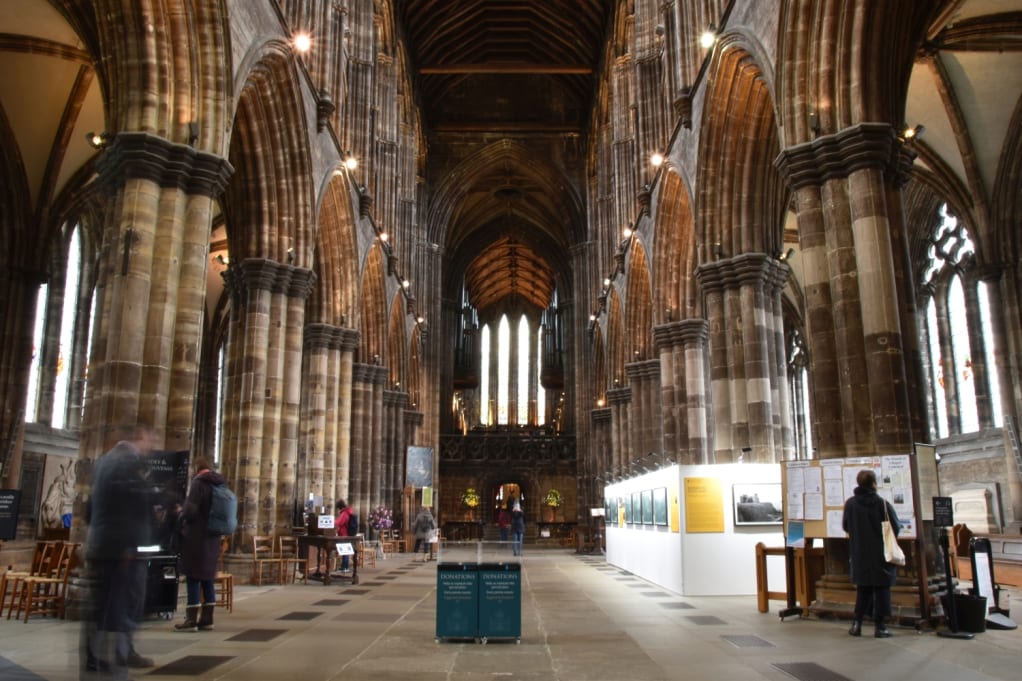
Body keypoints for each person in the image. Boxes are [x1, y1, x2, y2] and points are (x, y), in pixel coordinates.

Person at [82, 424, 158, 677]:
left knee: (102, 607)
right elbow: (136, 504)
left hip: (102, 545)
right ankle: (116, 661)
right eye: (150, 438)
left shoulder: (103, 462)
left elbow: (89, 510)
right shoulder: (128, 464)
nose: (153, 445)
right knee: (123, 607)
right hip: (124, 551)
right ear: (139, 436)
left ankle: (96, 659)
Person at [842, 468, 900, 638]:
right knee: (881, 588)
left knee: (863, 589)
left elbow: (846, 526)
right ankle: (880, 626)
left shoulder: (851, 504)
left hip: (860, 552)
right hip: (880, 552)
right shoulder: (881, 503)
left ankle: (857, 624)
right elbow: (894, 526)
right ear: (874, 483)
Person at [173, 457, 226, 632]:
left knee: (193, 577)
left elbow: (191, 511)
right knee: (207, 578)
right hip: (213, 538)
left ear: (196, 469)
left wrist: (181, 512)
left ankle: (191, 620)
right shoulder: (219, 484)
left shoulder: (199, 483)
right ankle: (207, 619)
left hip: (197, 538)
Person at [335, 500, 354, 572]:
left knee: (344, 551)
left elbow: (339, 522)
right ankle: (345, 567)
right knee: (345, 551)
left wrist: (331, 521)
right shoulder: (348, 512)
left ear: (339, 507)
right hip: (347, 534)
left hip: (344, 534)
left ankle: (344, 567)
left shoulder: (344, 513)